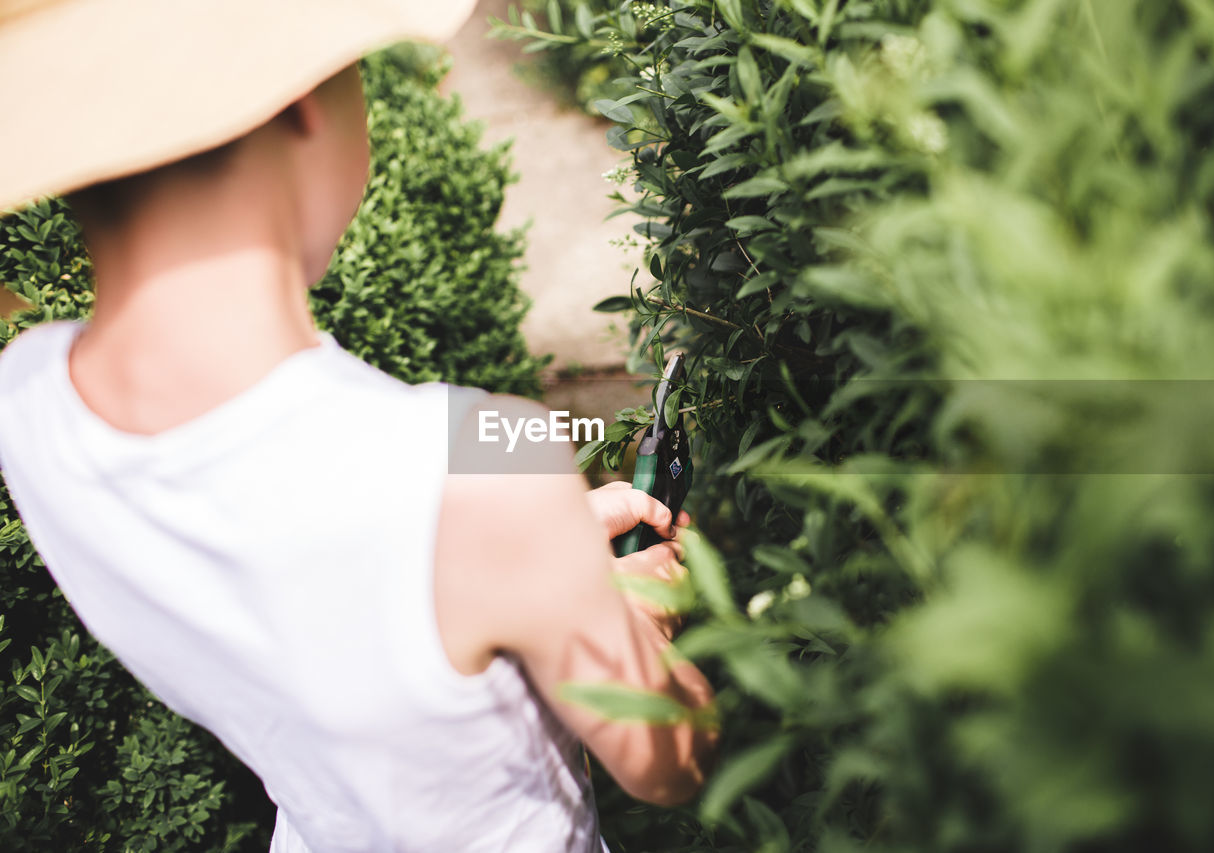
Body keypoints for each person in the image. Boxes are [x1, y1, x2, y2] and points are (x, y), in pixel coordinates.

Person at [0, 1, 718, 850]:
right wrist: (630, 612)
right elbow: (668, 761)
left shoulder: (30, 400)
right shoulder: (487, 463)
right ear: (303, 98)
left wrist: (543, 542)